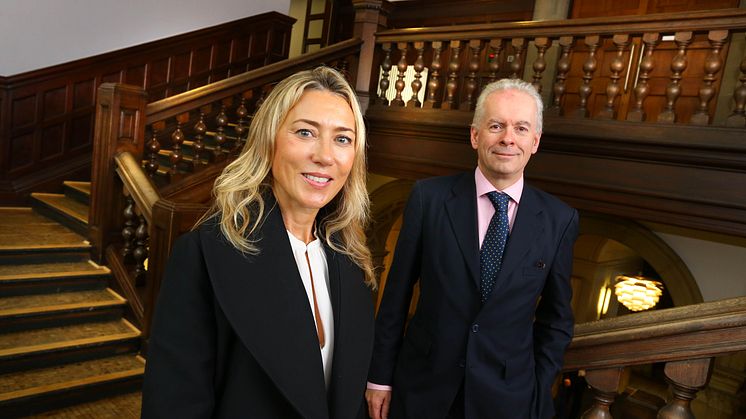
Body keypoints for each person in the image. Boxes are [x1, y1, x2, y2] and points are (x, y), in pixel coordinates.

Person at [141, 66, 375, 419]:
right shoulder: (205, 253)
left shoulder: (352, 260)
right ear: (269, 141)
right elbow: (174, 404)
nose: (325, 156)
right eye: (306, 132)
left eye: (343, 138)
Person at [366, 78, 578, 419]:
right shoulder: (429, 199)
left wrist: (536, 393)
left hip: (507, 401)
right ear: (475, 135)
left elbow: (556, 321)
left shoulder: (559, 220)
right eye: (496, 126)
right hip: (422, 389)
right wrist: (379, 378)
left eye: (521, 128)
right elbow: (396, 296)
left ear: (535, 141)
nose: (508, 138)